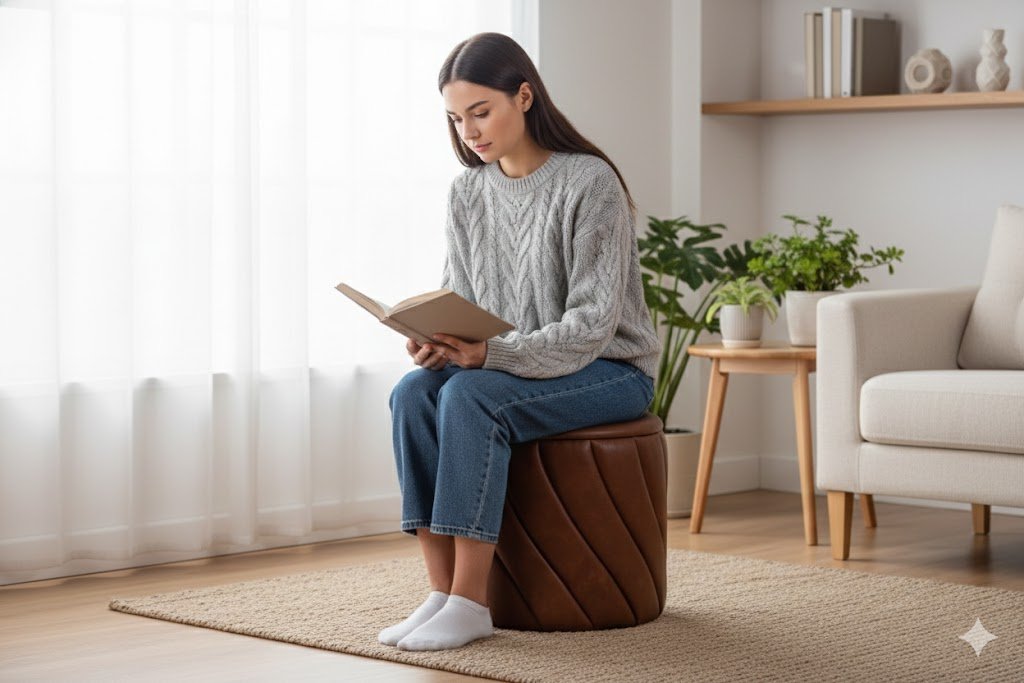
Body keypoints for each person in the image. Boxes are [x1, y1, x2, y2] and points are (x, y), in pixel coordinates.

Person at [379, 32, 661, 652]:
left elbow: (591, 326)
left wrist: (489, 356)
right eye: (457, 118)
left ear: (524, 96)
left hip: (610, 369)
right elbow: (462, 294)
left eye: (482, 111)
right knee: (413, 393)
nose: (469, 131)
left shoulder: (589, 183)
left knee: (471, 397)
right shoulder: (468, 191)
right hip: (513, 364)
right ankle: (440, 592)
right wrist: (438, 341)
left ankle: (470, 603)